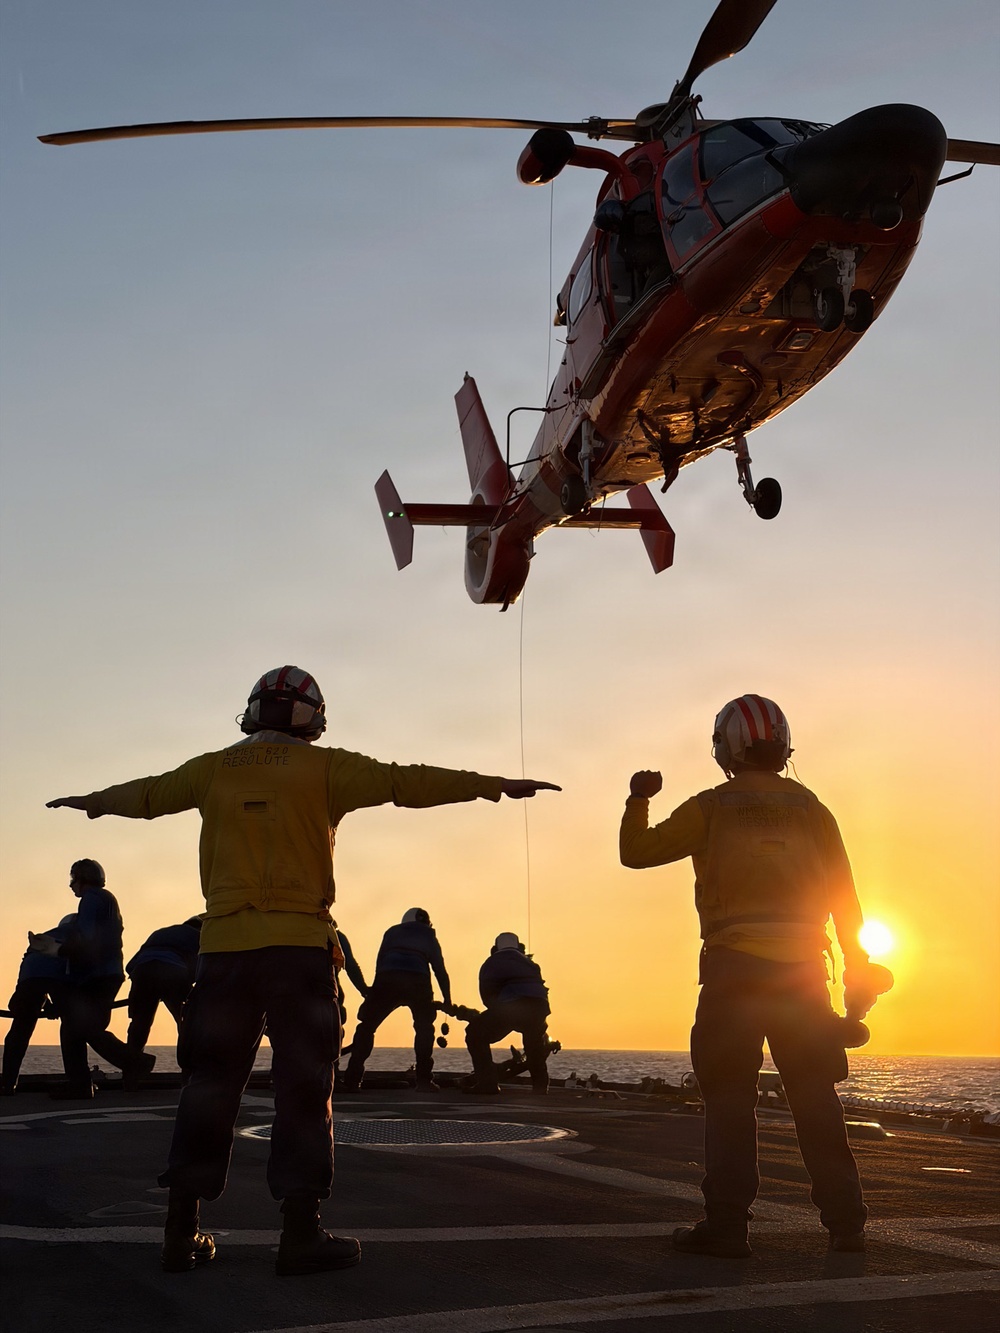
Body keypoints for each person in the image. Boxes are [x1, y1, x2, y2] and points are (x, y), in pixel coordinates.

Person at [46, 664, 559, 1276]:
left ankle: (179, 1232)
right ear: (313, 719)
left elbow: (148, 795)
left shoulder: (212, 769)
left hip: (224, 951)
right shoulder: (328, 769)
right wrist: (492, 785)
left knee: (209, 1086)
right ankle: (299, 1232)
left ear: (251, 713)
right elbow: (408, 782)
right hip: (299, 951)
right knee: (305, 1088)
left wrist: (93, 803)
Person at [619, 695, 886, 1258]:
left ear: (728, 747)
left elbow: (636, 853)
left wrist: (639, 799)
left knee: (729, 1099)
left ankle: (727, 1228)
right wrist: (857, 970)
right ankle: (847, 1226)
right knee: (815, 1098)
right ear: (782, 745)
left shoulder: (712, 806)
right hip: (803, 979)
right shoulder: (813, 810)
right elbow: (846, 900)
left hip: (733, 973)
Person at [29, 859, 150, 1099]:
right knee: (75, 1028)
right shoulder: (106, 900)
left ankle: (132, 1062)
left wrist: (55, 949)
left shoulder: (92, 899)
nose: (71, 885)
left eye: (73, 879)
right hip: (106, 973)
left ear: (82, 879)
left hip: (97, 975)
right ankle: (82, 1084)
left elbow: (87, 939)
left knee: (80, 1028)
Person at [342, 908, 450, 1092]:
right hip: (418, 982)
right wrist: (447, 1000)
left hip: (387, 979)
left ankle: (352, 1080)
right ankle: (424, 1081)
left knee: (367, 1027)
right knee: (424, 1029)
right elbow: (439, 969)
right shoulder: (429, 935)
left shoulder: (391, 932)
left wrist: (374, 992)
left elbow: (380, 961)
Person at [464, 932, 551, 1095]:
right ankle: (540, 1087)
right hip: (539, 1009)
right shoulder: (531, 963)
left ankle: (487, 1084)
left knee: (475, 1034)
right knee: (534, 1045)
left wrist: (494, 1015)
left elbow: (487, 996)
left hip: (511, 1008)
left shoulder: (491, 962)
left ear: (494, 948)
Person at [1, 916, 73, 1094]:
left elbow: (33, 975)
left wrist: (44, 1002)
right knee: (72, 1028)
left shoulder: (42, 940)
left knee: (19, 1031)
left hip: (30, 979)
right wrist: (56, 1005)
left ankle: (8, 1083)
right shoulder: (78, 936)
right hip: (58, 978)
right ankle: (77, 1080)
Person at [125, 917, 203, 1076]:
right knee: (186, 1022)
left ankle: (130, 1074)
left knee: (140, 1025)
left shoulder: (159, 933)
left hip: (142, 972)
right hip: (174, 973)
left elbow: (130, 966)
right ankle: (189, 1072)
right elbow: (201, 969)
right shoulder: (200, 936)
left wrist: (149, 988)